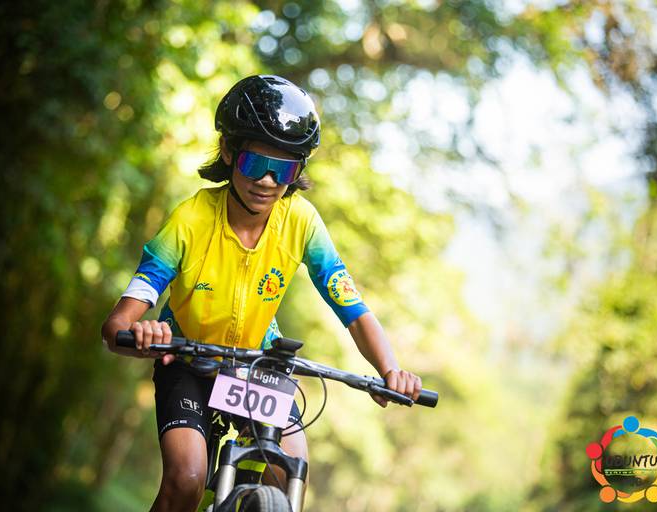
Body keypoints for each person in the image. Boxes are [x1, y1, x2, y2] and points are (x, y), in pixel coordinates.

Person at [101, 75, 422, 512]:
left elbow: (353, 309)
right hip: (188, 360)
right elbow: (117, 325)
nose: (269, 181)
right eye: (256, 164)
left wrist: (390, 370)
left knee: (290, 470)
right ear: (229, 152)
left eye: (284, 170)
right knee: (187, 477)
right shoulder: (189, 220)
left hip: (257, 365)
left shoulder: (302, 222)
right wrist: (142, 333)